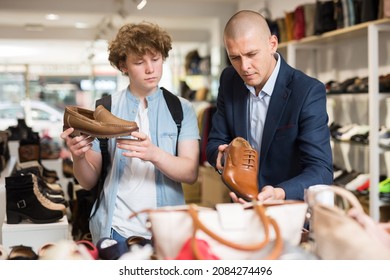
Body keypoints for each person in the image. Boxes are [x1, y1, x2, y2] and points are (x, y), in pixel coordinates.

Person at [61, 22, 200, 244]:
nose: (150, 69)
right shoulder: (104, 109)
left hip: (169, 229)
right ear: (123, 66)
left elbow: (190, 172)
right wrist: (78, 158)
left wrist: (154, 154)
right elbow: (88, 181)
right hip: (115, 228)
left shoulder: (181, 109)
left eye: (155, 60)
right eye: (139, 62)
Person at [206, 10, 333, 203]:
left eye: (251, 54)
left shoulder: (307, 91)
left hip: (288, 208)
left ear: (272, 44)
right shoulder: (229, 79)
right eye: (235, 58)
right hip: (241, 205)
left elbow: (321, 170)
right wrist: (223, 158)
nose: (244, 66)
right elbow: (215, 142)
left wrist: (279, 192)